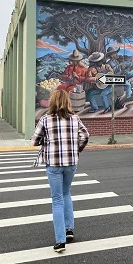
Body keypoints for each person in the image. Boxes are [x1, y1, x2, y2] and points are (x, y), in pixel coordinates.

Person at [31, 89, 90, 252]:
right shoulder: (75, 119)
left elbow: (34, 141)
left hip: (54, 164)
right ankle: (69, 229)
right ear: (68, 102)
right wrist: (76, 149)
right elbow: (85, 136)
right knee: (66, 193)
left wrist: (46, 141)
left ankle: (60, 240)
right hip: (71, 163)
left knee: (57, 199)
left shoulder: (46, 119)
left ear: (53, 101)